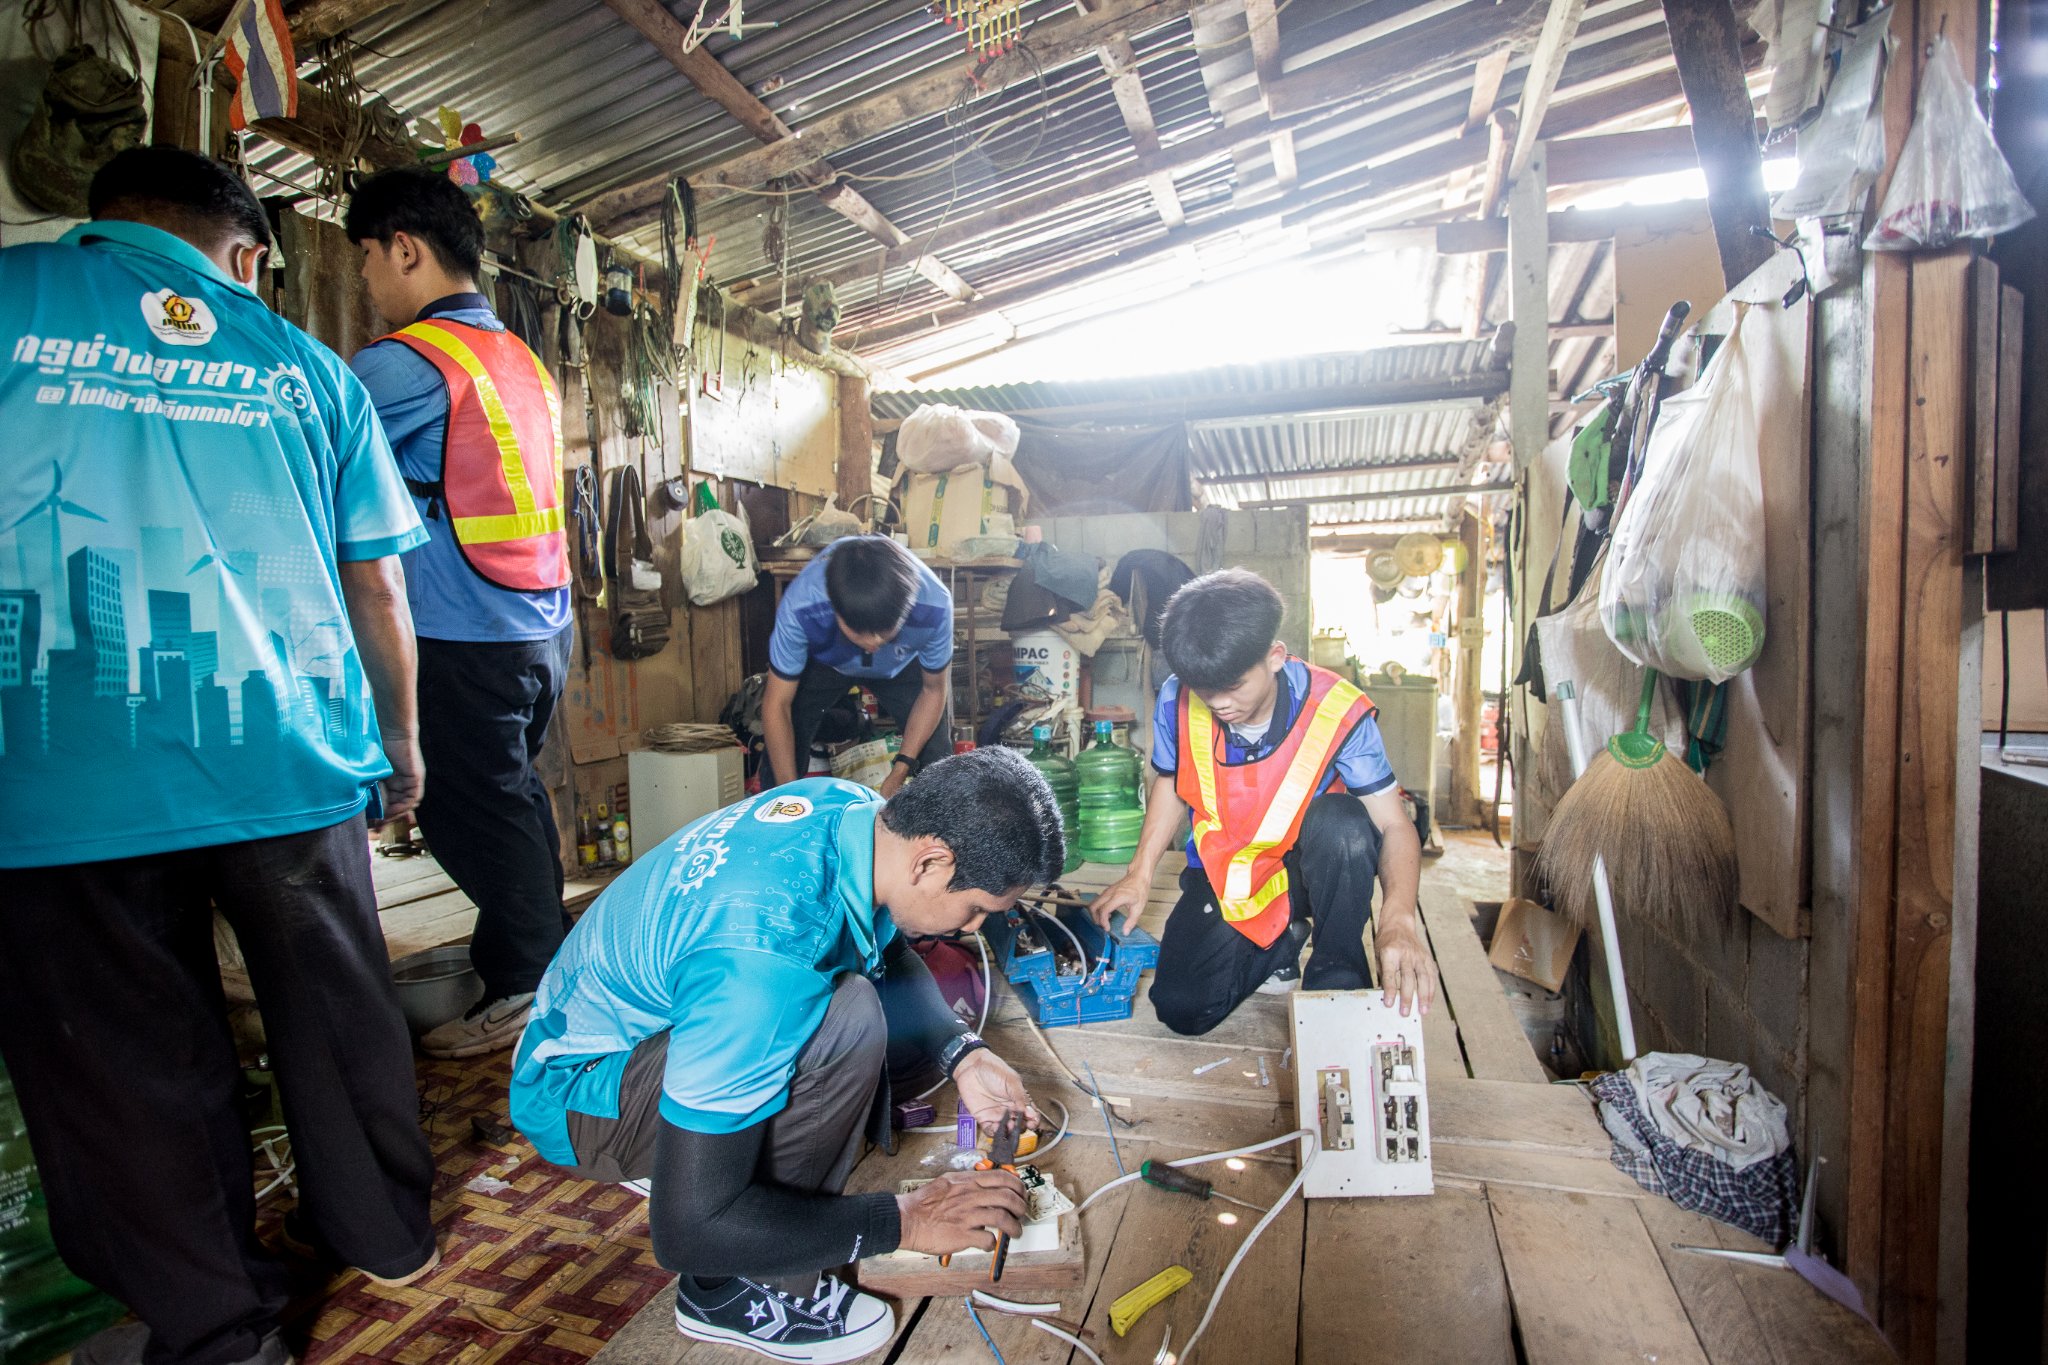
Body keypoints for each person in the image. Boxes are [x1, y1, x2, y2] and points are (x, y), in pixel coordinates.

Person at [0, 147, 438, 1365]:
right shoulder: (301, 366)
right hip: (288, 750)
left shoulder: (11, 301)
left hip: (53, 766)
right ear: (246, 254)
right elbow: (378, 588)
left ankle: (220, 1328)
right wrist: (400, 745)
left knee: (130, 1059)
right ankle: (385, 1233)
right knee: (338, 1011)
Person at [510, 747, 1063, 1364]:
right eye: (979, 908)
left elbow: (881, 938)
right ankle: (726, 1292)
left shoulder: (852, 811)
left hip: (600, 1033)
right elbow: (687, 1230)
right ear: (931, 860)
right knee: (846, 1021)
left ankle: (705, 1148)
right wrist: (906, 1217)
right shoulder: (763, 967)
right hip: (578, 1097)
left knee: (853, 1017)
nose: (973, 928)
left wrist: (962, 1053)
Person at [345, 168, 575, 1060]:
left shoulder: (406, 363)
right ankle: (525, 964)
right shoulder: (520, 359)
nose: (367, 277)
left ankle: (530, 984)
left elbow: (311, 446)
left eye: (367, 256)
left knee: (469, 808)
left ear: (405, 248)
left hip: (462, 630)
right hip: (540, 626)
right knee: (510, 802)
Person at [1088, 569, 1439, 1036]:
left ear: (1274, 657)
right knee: (1182, 1009)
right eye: (1203, 686)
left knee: (1346, 824)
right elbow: (1171, 782)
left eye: (1233, 685)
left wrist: (1398, 918)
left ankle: (1336, 974)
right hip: (1228, 873)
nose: (1218, 702)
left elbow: (1396, 826)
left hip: (1314, 872)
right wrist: (1140, 872)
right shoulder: (1178, 697)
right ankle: (1282, 943)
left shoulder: (1336, 708)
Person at [763, 534, 953, 797]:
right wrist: (787, 800)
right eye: (858, 631)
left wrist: (901, 769)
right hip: (827, 661)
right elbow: (777, 704)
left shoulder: (935, 606)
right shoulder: (803, 606)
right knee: (780, 753)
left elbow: (933, 691)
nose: (873, 643)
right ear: (835, 610)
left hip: (901, 664)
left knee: (937, 757)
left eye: (885, 631)